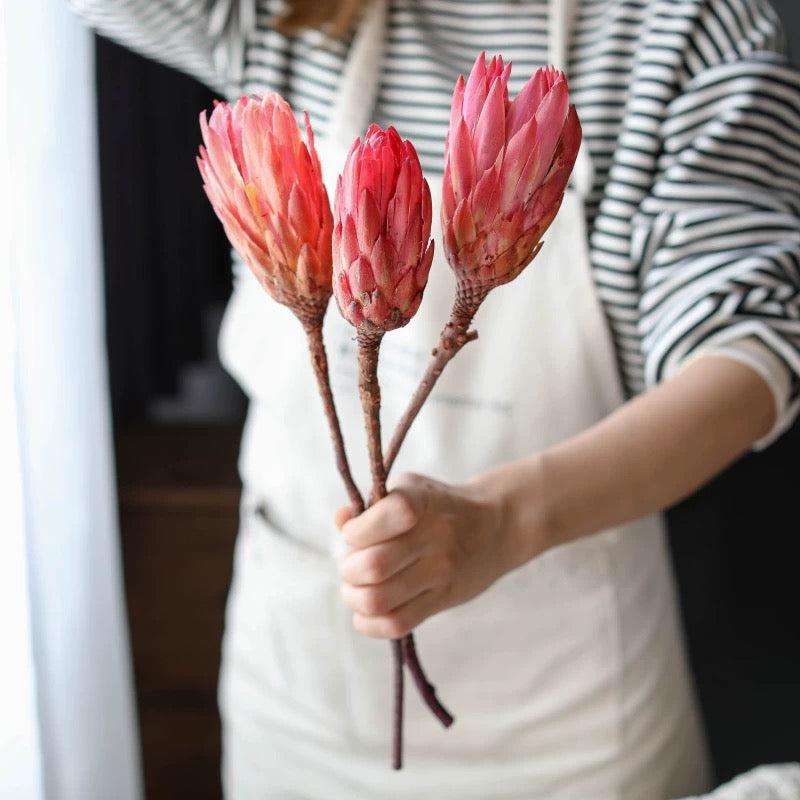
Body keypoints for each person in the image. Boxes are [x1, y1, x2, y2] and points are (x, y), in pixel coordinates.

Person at [70, 0, 800, 798]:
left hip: (566, 722)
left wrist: (508, 518)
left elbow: (752, 349)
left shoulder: (681, 23)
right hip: (299, 701)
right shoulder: (273, 15)